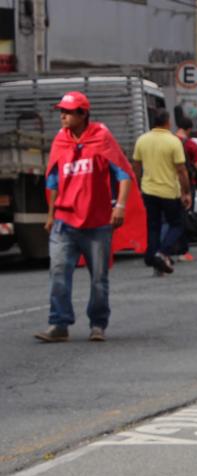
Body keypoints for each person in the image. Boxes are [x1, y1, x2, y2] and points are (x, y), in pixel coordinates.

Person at [35, 91, 135, 342]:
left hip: (97, 222)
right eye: (62, 111)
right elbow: (54, 179)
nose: (63, 116)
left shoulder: (102, 138)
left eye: (68, 112)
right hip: (64, 221)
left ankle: (98, 324)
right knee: (58, 273)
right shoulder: (61, 140)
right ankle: (59, 324)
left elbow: (123, 172)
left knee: (99, 278)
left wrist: (120, 205)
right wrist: (50, 214)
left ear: (83, 114)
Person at [132, 108, 191, 276]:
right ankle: (163, 253)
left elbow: (135, 166)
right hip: (169, 191)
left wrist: (137, 185)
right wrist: (186, 192)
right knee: (177, 224)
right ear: (167, 122)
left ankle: (154, 260)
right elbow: (181, 170)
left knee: (153, 227)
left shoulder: (142, 140)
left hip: (148, 190)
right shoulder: (173, 142)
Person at [174, 116, 197, 262]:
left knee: (170, 217)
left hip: (168, 183)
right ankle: (183, 250)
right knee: (185, 216)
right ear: (189, 129)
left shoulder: (169, 141)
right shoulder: (191, 145)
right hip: (187, 183)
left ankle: (168, 247)